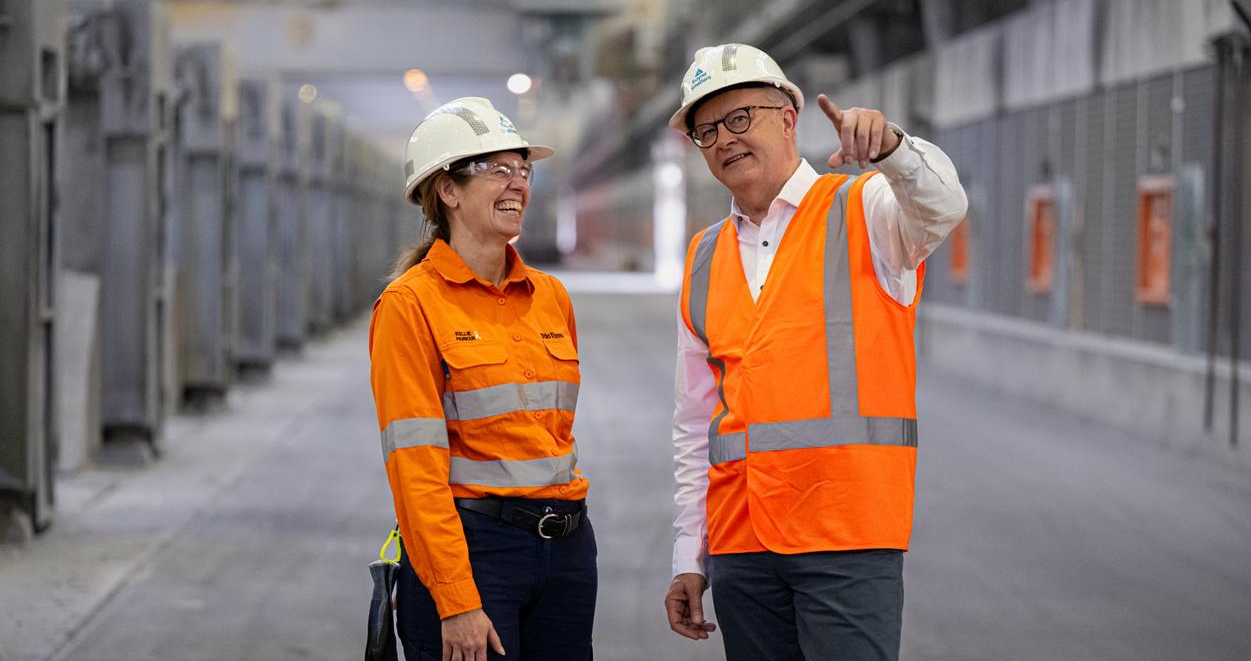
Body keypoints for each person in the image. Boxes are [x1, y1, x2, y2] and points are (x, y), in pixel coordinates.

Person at [663, 43, 968, 661]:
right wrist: (688, 552)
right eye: (706, 130)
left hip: (846, 536)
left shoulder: (867, 210)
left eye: (740, 117)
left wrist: (895, 152)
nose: (725, 139)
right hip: (740, 546)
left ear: (788, 117)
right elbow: (696, 424)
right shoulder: (703, 256)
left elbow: (943, 206)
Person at [370, 97, 596, 661]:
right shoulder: (410, 304)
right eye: (499, 169)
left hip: (566, 549)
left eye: (524, 169)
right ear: (447, 189)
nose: (518, 183)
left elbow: (553, 436)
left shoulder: (551, 297)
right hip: (474, 551)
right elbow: (415, 467)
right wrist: (455, 599)